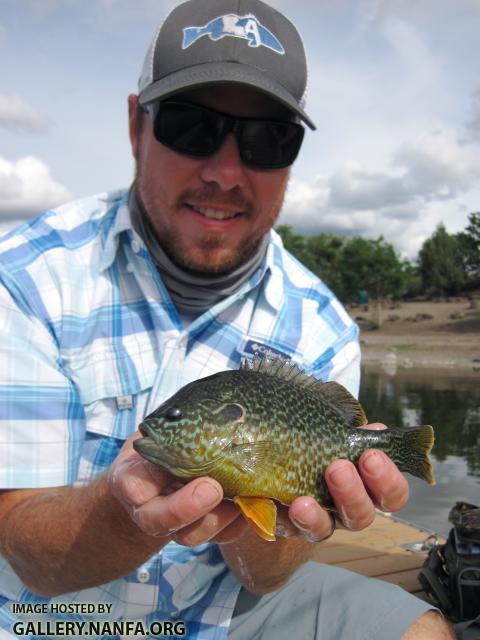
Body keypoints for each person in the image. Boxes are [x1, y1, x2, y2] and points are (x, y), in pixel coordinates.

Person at [0, 0, 453, 638]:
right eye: (191, 126)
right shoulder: (24, 279)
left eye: (268, 138)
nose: (225, 171)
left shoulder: (322, 325)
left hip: (226, 611)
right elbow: (25, 549)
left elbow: (266, 576)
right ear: (136, 127)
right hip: (55, 618)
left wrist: (283, 529)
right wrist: (126, 511)